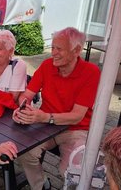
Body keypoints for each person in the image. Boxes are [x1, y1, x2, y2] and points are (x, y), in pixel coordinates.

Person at [12, 27, 101, 190]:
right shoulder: (47, 66)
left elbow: (76, 116)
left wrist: (43, 117)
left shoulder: (91, 72)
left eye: (59, 49)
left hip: (75, 129)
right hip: (45, 127)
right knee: (24, 152)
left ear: (77, 50)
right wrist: (23, 107)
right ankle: (41, 185)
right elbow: (27, 94)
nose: (53, 53)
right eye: (52, 47)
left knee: (72, 171)